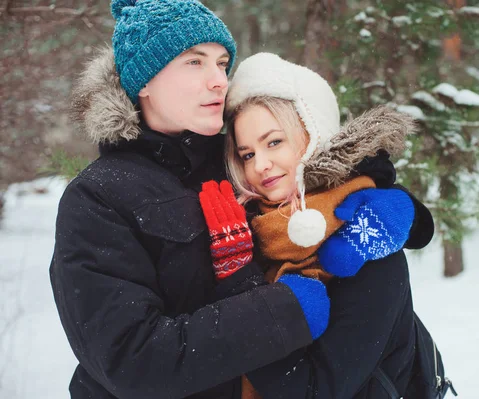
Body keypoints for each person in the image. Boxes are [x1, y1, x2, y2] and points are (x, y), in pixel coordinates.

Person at [50, 1, 431, 398]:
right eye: (195, 63)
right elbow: (130, 358)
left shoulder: (233, 158)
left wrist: (397, 206)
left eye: (221, 63)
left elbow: (320, 162)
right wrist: (277, 313)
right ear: (143, 80)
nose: (218, 80)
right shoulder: (97, 197)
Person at [207, 53, 454, 399]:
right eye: (247, 154)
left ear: (312, 135)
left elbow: (313, 391)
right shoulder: (247, 236)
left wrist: (241, 295)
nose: (260, 165)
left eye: (274, 141)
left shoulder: (370, 246)